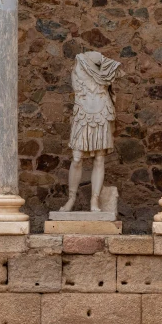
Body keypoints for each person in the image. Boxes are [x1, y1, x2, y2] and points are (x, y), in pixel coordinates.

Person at [59, 51, 121, 212]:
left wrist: (101, 62)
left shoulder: (102, 61)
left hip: (102, 111)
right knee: (77, 157)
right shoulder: (79, 60)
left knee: (99, 159)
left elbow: (116, 69)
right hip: (83, 111)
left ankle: (95, 201)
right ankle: (71, 199)